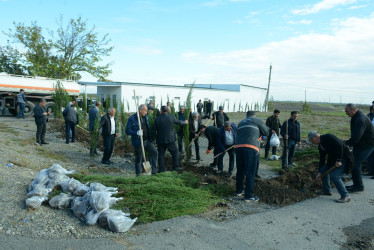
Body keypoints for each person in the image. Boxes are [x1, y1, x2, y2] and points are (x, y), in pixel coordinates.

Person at [235, 111, 269, 202]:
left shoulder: (242, 122)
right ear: (254, 115)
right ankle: (248, 196)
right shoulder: (257, 120)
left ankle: (239, 191)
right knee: (250, 171)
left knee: (240, 170)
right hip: (250, 147)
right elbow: (266, 132)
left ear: (246, 116)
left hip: (238, 147)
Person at [308, 131, 351, 203]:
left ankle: (345, 195)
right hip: (333, 160)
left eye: (311, 140)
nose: (311, 142)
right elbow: (322, 159)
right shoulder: (320, 146)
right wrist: (319, 172)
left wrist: (339, 160)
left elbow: (340, 145)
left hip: (344, 158)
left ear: (315, 137)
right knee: (323, 170)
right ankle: (326, 190)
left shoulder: (329, 137)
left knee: (335, 176)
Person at [344, 103, 374, 191]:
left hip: (368, 144)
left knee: (355, 163)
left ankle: (359, 186)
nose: (346, 113)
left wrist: (345, 144)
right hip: (361, 144)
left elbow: (356, 137)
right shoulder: (356, 116)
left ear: (353, 110)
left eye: (347, 111)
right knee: (354, 162)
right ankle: (356, 184)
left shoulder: (360, 119)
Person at [152, 105, 188, 172]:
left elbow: (153, 130)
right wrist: (185, 122)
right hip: (170, 140)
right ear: (167, 111)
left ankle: (161, 170)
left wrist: (152, 138)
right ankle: (175, 168)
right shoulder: (172, 117)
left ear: (161, 111)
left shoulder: (157, 119)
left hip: (160, 140)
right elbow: (179, 122)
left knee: (161, 155)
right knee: (175, 153)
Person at [126, 104, 158, 176]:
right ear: (140, 110)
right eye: (145, 111)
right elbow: (127, 131)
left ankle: (154, 171)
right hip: (138, 142)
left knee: (155, 153)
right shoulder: (132, 118)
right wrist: (136, 132)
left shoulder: (145, 117)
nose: (146, 113)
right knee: (139, 158)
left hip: (147, 140)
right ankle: (138, 174)